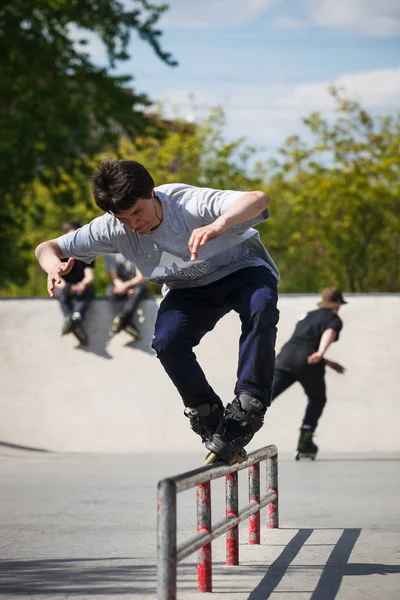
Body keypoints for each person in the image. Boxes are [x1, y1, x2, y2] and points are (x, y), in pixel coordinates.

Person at [35, 159, 280, 464]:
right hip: (187, 288)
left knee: (261, 306)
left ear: (152, 193)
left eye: (137, 212)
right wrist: (52, 266)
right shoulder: (111, 228)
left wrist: (219, 224)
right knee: (167, 341)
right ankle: (208, 415)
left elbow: (258, 199)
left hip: (241, 271)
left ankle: (249, 404)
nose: (135, 224)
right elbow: (46, 247)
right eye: (124, 218)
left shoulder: (188, 204)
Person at [271, 287, 347, 459]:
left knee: (265, 397)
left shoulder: (306, 315)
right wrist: (320, 353)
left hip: (285, 358)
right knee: (317, 398)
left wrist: (327, 361)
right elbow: (329, 332)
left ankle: (235, 430)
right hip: (309, 363)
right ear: (337, 304)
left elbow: (301, 342)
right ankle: (305, 440)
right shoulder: (334, 319)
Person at [53, 221, 95, 346]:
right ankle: (74, 320)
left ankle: (73, 318)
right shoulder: (59, 253)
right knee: (61, 293)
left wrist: (82, 284)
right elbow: (56, 279)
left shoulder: (87, 252)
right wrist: (67, 287)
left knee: (88, 290)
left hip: (80, 286)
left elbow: (90, 277)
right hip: (64, 285)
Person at [104, 253, 148, 340]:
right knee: (110, 291)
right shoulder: (110, 253)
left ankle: (121, 319)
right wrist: (123, 287)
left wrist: (126, 286)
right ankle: (127, 323)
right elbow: (114, 277)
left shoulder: (137, 249)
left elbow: (140, 278)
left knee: (139, 290)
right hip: (119, 285)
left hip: (135, 284)